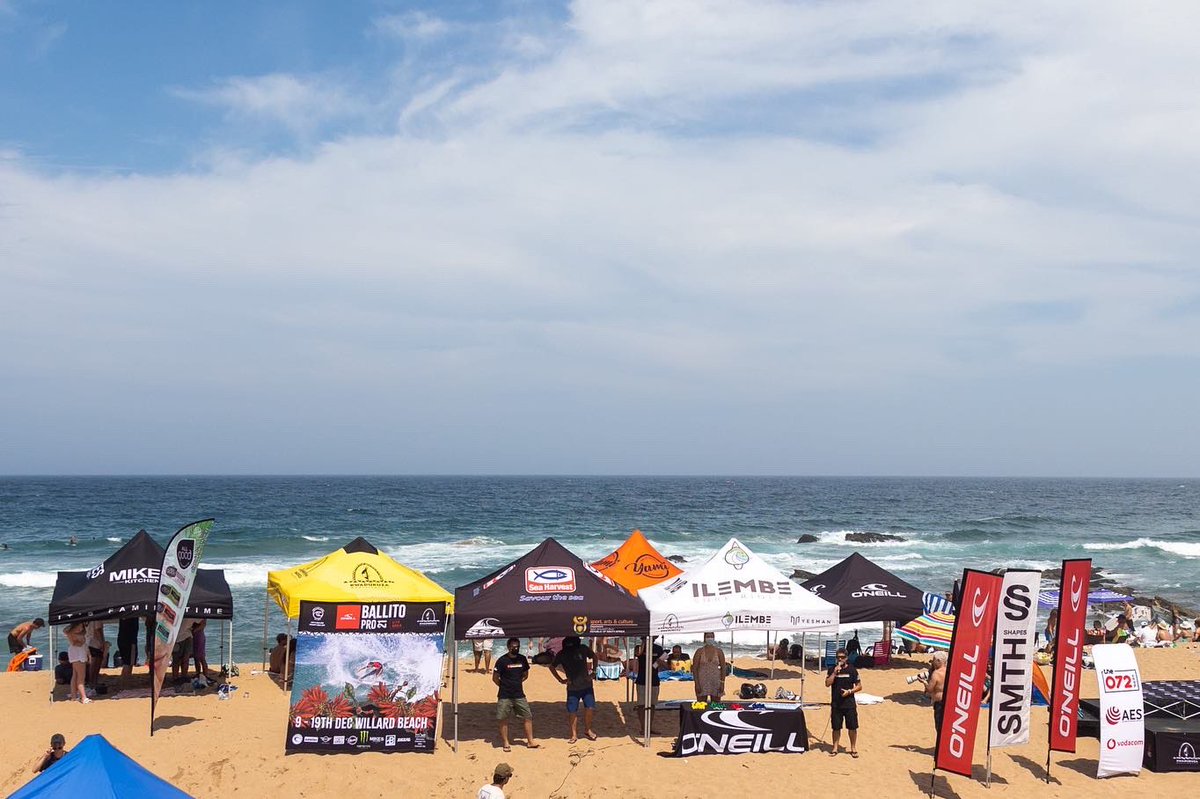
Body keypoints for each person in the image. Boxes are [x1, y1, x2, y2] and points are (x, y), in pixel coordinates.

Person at [550, 636, 597, 743]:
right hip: (572, 688)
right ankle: (574, 735)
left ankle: (588, 730)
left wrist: (594, 672)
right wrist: (560, 680)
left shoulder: (583, 648)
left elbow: (594, 657)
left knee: (590, 708)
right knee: (572, 711)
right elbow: (552, 666)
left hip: (587, 685)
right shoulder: (562, 653)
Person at [493, 637, 538, 752]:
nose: (516, 648)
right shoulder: (502, 661)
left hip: (519, 694)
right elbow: (495, 678)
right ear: (508, 647)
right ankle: (506, 742)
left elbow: (525, 675)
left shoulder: (522, 659)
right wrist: (504, 685)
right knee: (503, 718)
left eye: (517, 646)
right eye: (513, 647)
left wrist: (517, 683)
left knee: (528, 716)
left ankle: (530, 741)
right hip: (504, 695)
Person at [825, 647, 861, 757]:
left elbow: (859, 686)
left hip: (849, 703)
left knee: (852, 727)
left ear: (847, 658)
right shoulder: (832, 669)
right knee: (836, 727)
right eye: (838, 657)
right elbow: (827, 683)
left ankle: (853, 748)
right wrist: (834, 673)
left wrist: (849, 691)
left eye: (842, 657)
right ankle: (835, 747)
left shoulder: (852, 670)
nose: (840, 659)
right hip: (836, 703)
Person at [691, 632, 726, 702]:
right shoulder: (699, 651)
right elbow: (694, 669)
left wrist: (722, 683)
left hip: (715, 681)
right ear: (704, 638)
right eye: (708, 636)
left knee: (715, 706)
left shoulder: (719, 651)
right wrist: (696, 684)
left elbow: (723, 668)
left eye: (711, 636)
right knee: (701, 706)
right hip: (702, 682)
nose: (710, 638)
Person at [64, 622, 90, 704]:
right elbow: (76, 643)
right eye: (78, 627)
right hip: (78, 655)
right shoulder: (70, 633)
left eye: (81, 627)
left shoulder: (74, 633)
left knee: (75, 675)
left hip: (77, 654)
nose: (80, 629)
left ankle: (74, 695)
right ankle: (83, 697)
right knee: (81, 677)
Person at [925, 651, 948, 734]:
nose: (933, 662)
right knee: (946, 725)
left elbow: (929, 689)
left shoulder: (936, 673)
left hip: (939, 702)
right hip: (948, 701)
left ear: (939, 661)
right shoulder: (949, 671)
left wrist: (924, 683)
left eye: (934, 660)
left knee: (939, 726)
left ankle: (941, 746)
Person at [85, 620, 107, 686]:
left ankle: (92, 681)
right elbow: (98, 630)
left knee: (93, 663)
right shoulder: (97, 620)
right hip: (95, 643)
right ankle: (93, 681)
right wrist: (102, 643)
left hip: (89, 641)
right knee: (95, 664)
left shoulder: (88, 620)